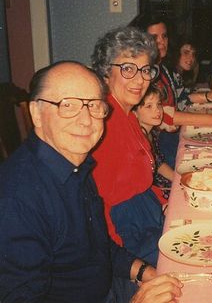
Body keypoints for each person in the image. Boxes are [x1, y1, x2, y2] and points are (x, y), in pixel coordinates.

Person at [0, 61, 182, 302]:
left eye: (94, 106)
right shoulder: (17, 200)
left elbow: (97, 247)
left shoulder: (78, 164)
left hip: (109, 286)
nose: (86, 120)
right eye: (68, 105)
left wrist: (146, 272)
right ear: (36, 113)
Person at [91, 27, 165, 267]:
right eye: (128, 69)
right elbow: (97, 201)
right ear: (105, 72)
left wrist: (164, 202)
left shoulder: (128, 114)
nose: (140, 80)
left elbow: (141, 176)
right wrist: (121, 262)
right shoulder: (101, 123)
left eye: (145, 70)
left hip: (146, 216)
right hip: (128, 235)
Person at [132, 16, 212, 168]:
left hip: (172, 136)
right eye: (153, 37)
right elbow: (165, 115)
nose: (161, 41)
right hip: (158, 144)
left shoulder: (161, 68)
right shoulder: (144, 75)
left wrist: (209, 96)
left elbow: (182, 97)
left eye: (164, 36)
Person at [133, 85, 173, 204]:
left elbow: (159, 164)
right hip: (150, 191)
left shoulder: (151, 132)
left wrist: (178, 179)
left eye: (159, 104)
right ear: (134, 112)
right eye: (149, 106)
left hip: (159, 182)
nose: (157, 110)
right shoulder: (138, 138)